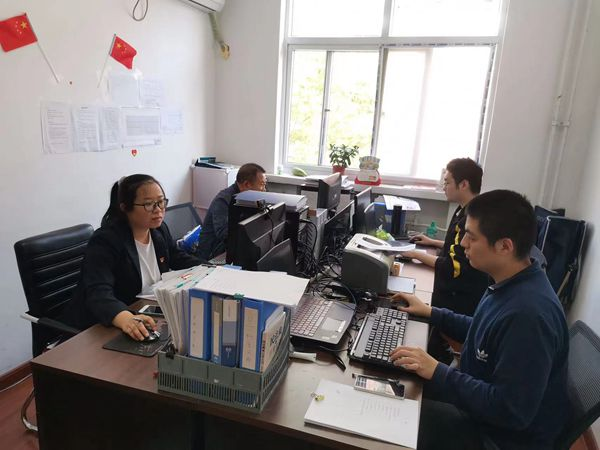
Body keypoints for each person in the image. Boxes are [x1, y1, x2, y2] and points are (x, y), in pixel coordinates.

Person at [390, 190, 570, 450]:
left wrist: (438, 371)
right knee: (397, 380)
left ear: (505, 246)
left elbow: (510, 410)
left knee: (393, 417)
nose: (463, 243)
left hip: (499, 438)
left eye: (471, 237)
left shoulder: (529, 315)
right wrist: (431, 312)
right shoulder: (510, 281)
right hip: (481, 407)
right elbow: (481, 329)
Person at [63, 174, 201, 340]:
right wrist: (125, 318)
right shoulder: (106, 240)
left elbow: (177, 256)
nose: (158, 209)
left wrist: (212, 268)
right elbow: (98, 292)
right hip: (100, 326)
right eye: (148, 204)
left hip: (144, 311)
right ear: (125, 207)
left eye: (161, 201)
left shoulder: (159, 229)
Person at [403, 158, 489, 316]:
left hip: (458, 299)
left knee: (407, 296)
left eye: (447, 182)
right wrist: (433, 242)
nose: (444, 187)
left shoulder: (471, 219)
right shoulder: (464, 209)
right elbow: (458, 247)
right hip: (456, 289)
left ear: (463, 184)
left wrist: (416, 254)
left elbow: (452, 267)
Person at [196, 163, 267, 260]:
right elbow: (223, 233)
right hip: (212, 255)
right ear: (246, 184)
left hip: (232, 248)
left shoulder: (248, 198)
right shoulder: (223, 200)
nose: (264, 190)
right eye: (262, 185)